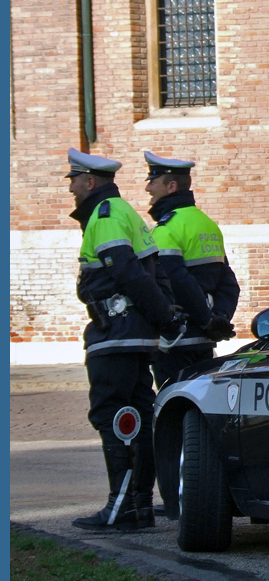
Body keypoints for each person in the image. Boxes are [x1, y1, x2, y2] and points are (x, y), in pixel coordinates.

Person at [66, 148, 183, 532]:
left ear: (89, 182)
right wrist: (163, 318)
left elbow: (131, 275)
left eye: (74, 183)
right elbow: (159, 274)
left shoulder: (105, 217)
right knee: (137, 417)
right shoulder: (128, 213)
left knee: (111, 415)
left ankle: (121, 508)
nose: (71, 192)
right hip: (134, 336)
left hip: (114, 335)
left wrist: (164, 318)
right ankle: (138, 507)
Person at [143, 151, 240, 392]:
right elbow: (228, 283)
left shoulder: (166, 229)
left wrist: (207, 320)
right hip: (204, 342)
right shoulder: (208, 225)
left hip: (175, 342)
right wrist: (219, 318)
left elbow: (176, 280)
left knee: (172, 405)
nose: (148, 189)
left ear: (171, 186)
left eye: (153, 182)